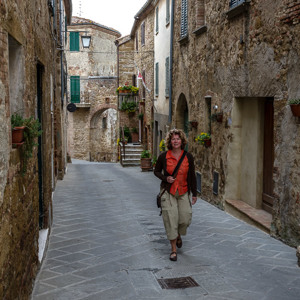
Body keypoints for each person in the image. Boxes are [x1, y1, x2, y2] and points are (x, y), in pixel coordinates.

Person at [154, 129, 197, 261]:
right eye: (173, 139)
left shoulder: (188, 156)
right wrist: (165, 178)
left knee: (185, 218)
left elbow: (192, 176)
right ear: (170, 141)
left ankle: (178, 234)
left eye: (178, 139)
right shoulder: (163, 156)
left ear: (182, 141)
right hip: (168, 192)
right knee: (170, 219)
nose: (176, 141)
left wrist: (194, 193)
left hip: (183, 191)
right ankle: (173, 250)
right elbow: (156, 171)